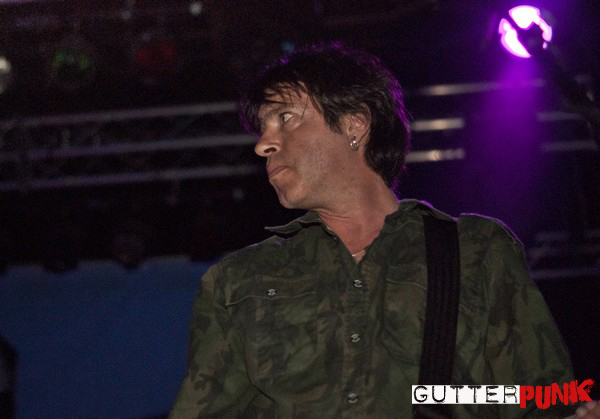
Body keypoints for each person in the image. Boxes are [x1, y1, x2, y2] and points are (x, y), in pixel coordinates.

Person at [171, 43, 598, 418]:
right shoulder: (239, 280)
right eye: (262, 129)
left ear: (354, 125)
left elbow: (540, 396)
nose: (263, 144)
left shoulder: (476, 251)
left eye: (285, 117)